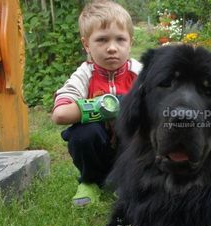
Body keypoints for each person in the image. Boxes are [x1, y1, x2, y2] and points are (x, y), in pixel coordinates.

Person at [51, 0, 142, 207]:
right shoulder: (84, 75)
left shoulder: (141, 74)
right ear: (86, 44)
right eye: (101, 40)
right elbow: (60, 114)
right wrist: (107, 107)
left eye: (120, 39)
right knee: (83, 133)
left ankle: (130, 182)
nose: (112, 48)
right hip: (98, 151)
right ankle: (90, 181)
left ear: (131, 42)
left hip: (132, 153)